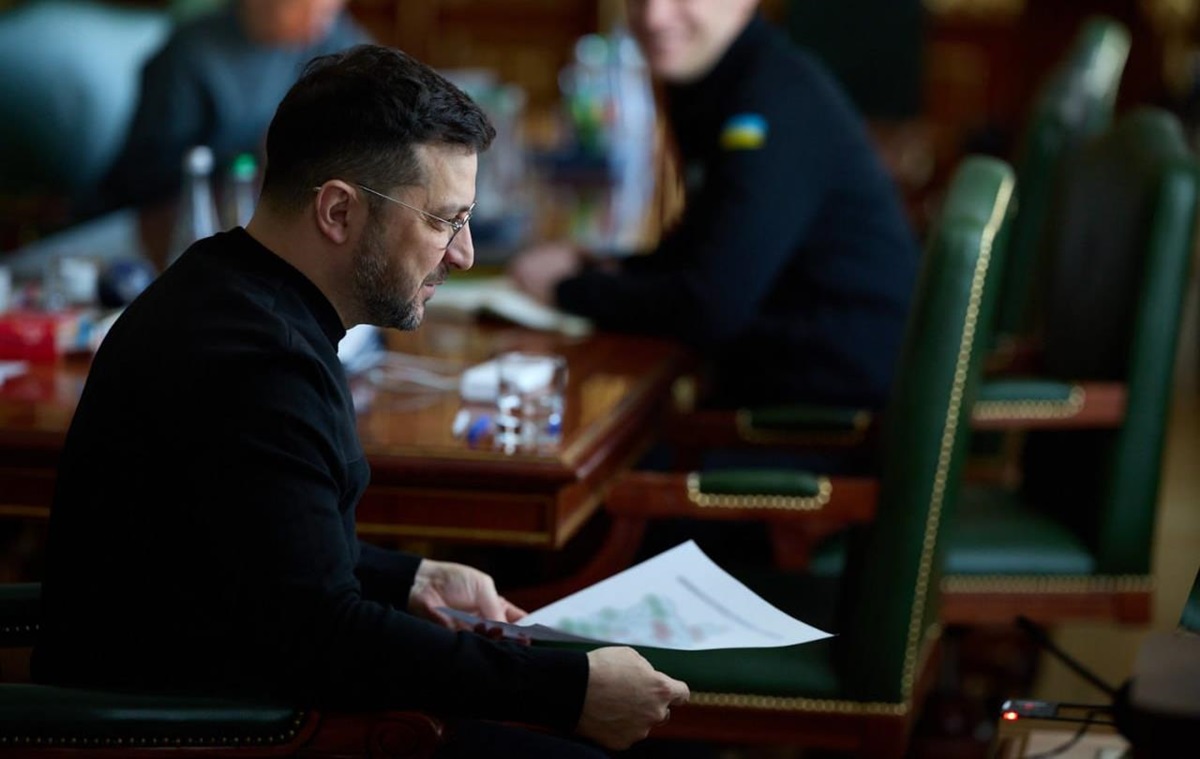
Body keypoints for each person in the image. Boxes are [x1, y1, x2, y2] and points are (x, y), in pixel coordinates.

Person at [33, 44, 688, 757]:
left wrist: (411, 576)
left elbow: (260, 543)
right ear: (339, 211)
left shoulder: (223, 284)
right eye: (444, 220)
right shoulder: (260, 364)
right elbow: (324, 635)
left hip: (232, 688)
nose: (464, 253)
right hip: (212, 732)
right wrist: (567, 691)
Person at [509, 0, 921, 411]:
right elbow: (708, 247)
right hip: (785, 388)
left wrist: (566, 290)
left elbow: (711, 306)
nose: (654, 16)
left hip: (831, 419)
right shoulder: (726, 79)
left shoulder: (774, 98)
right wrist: (607, 266)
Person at [86, 0, 370, 263]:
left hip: (268, 221)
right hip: (157, 228)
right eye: (305, 6)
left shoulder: (332, 39)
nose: (320, 18)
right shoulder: (189, 57)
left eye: (332, 7)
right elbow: (148, 184)